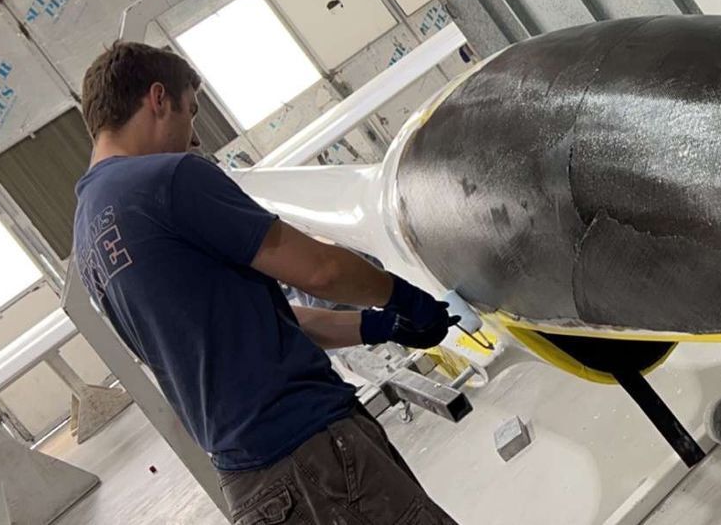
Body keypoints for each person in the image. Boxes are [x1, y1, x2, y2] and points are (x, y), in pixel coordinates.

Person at [71, 42, 462, 522]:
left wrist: (382, 326)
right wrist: (404, 295)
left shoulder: (88, 233)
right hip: (312, 456)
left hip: (253, 485)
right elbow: (323, 270)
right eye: (190, 112)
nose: (193, 138)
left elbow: (258, 323)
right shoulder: (166, 179)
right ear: (157, 98)